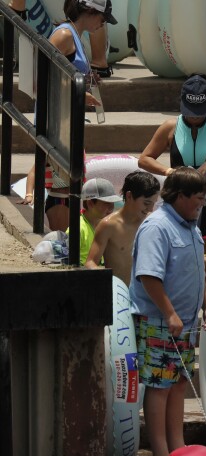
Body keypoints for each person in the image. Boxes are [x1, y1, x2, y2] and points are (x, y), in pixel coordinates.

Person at [129, 167, 206, 456]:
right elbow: (148, 276)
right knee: (159, 385)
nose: (202, 204)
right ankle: (161, 453)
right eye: (198, 198)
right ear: (179, 196)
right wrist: (169, 312)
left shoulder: (191, 224)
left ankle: (177, 446)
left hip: (186, 322)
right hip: (159, 320)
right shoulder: (157, 227)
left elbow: (195, 269)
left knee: (178, 382)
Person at [138, 73, 206, 281]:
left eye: (200, 113)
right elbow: (144, 159)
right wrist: (167, 171)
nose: (195, 117)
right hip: (178, 203)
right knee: (180, 261)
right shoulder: (170, 127)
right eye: (191, 113)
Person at [18, 0, 114, 232]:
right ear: (90, 11)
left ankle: (65, 240)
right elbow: (44, 77)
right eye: (102, 19)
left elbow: (63, 74)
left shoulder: (74, 35)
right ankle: (63, 241)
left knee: (68, 180)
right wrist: (78, 94)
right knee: (61, 184)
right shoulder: (64, 35)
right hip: (57, 122)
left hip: (66, 120)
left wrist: (86, 83)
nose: (102, 25)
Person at [85, 171, 160, 284]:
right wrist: (108, 282)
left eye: (153, 203)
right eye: (146, 203)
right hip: (120, 293)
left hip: (145, 295)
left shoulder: (151, 222)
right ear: (129, 196)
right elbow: (90, 262)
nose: (150, 209)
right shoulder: (109, 225)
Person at [69, 177, 120, 265]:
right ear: (90, 203)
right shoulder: (77, 230)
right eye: (106, 203)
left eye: (112, 203)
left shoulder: (108, 226)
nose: (111, 208)